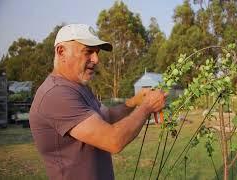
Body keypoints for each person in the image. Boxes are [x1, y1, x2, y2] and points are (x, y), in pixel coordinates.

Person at [29, 24, 167, 180]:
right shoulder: (56, 94)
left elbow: (108, 116)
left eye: (97, 52)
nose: (96, 59)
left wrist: (134, 101)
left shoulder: (78, 88)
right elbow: (113, 141)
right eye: (88, 51)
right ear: (62, 52)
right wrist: (147, 107)